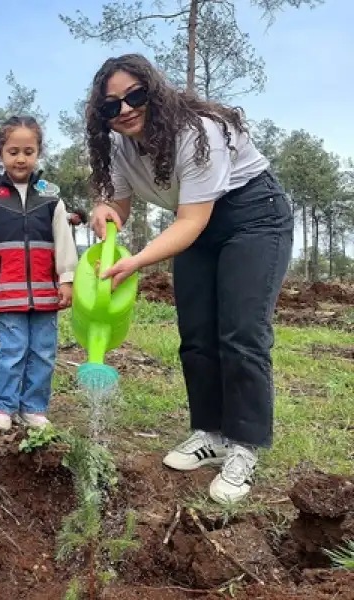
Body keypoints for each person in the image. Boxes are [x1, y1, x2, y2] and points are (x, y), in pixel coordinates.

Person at [85, 54, 293, 503]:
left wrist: (137, 260)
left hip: (252, 217)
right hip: (194, 223)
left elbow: (192, 220)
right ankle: (210, 433)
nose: (124, 110)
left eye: (134, 96)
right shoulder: (122, 147)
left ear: (154, 92)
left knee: (241, 331)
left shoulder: (199, 131)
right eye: (110, 106)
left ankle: (244, 447)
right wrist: (105, 210)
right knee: (196, 333)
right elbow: (119, 205)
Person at [0, 116, 79, 431]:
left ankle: (34, 408)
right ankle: (3, 407)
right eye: (13, 151)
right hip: (5, 291)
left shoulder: (51, 197)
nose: (21, 158)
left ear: (38, 152)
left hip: (45, 292)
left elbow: (63, 241)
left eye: (28, 150)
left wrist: (66, 278)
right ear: (1, 154)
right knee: (12, 351)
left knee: (42, 351)